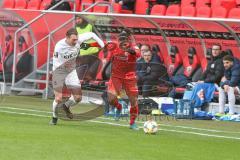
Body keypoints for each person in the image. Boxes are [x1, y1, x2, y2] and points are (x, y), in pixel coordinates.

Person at [50, 28, 104, 125]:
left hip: (71, 72)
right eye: (73, 40)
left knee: (78, 98)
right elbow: (57, 63)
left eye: (76, 39)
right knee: (58, 98)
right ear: (67, 38)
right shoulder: (59, 46)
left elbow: (92, 34)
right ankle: (54, 118)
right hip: (59, 71)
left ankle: (66, 106)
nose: (76, 41)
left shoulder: (78, 40)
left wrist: (102, 44)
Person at [107, 29, 139, 130]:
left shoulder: (134, 47)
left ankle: (132, 122)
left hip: (130, 76)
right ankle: (118, 107)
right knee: (111, 99)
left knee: (133, 101)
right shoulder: (114, 47)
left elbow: (137, 53)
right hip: (116, 76)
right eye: (120, 39)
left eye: (125, 38)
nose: (122, 41)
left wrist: (131, 51)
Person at [188, 43, 226, 109]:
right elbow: (205, 73)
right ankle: (189, 104)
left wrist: (204, 81)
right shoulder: (211, 61)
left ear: (220, 51)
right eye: (213, 49)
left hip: (215, 84)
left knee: (199, 86)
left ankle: (196, 106)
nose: (214, 51)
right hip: (208, 82)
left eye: (217, 49)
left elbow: (217, 76)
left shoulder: (220, 62)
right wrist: (200, 80)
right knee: (191, 85)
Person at [75, 15, 103, 81]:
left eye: (79, 18)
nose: (78, 20)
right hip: (83, 51)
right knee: (83, 68)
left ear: (84, 19)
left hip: (93, 50)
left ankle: (90, 80)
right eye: (76, 19)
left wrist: (97, 46)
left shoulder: (90, 26)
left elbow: (98, 37)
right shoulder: (76, 28)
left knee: (92, 67)